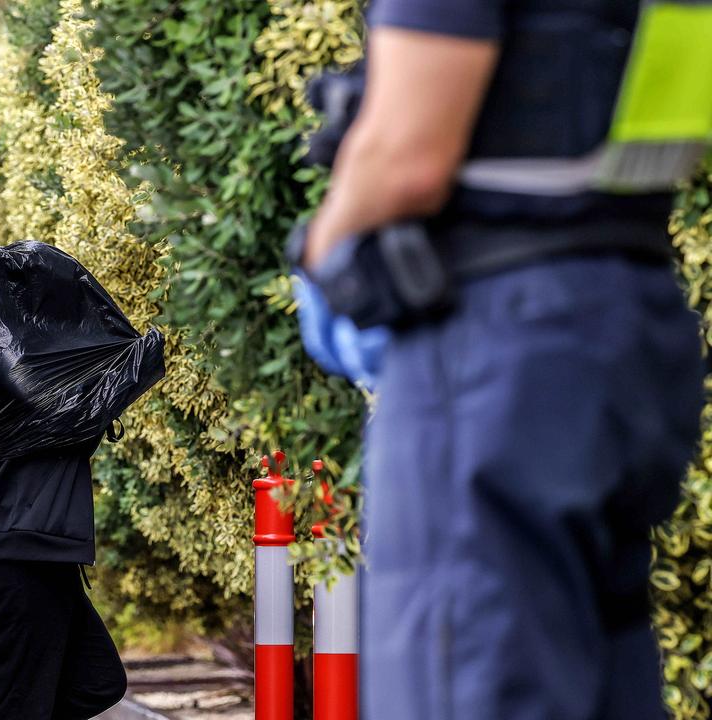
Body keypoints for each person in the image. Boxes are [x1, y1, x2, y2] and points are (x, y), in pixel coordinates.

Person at [292, 1, 705, 718]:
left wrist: (324, 256)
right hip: (627, 308)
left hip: (496, 341)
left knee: (464, 677)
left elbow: (406, 156)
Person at [0, 242, 163, 720]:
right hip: (17, 557)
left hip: (35, 554)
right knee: (26, 705)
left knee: (95, 681)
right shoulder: (11, 377)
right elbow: (97, 389)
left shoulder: (16, 375)